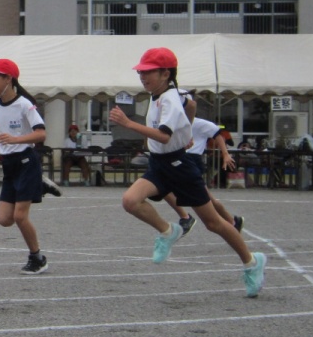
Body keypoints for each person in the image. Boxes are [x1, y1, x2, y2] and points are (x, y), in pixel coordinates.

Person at [109, 47, 265, 297]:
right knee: (130, 200)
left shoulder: (169, 99)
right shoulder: (168, 93)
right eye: (141, 72)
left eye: (148, 72)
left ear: (165, 74)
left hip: (179, 166)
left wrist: (129, 124)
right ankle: (169, 231)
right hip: (159, 163)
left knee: (214, 223)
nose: (142, 77)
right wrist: (187, 131)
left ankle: (251, 261)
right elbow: (191, 104)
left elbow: (163, 134)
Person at [0, 59, 50, 275]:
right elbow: (1, 135)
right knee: (4, 220)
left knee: (21, 216)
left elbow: (41, 133)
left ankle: (37, 258)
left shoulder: (24, 104)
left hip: (26, 162)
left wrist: (16, 140)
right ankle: (39, 186)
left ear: (8, 79)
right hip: (9, 165)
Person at [164, 115, 244, 235]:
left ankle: (187, 217)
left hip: (191, 160)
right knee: (162, 186)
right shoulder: (175, 122)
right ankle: (231, 222)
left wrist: (225, 154)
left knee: (206, 198)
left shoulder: (199, 123)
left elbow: (218, 134)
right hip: (178, 159)